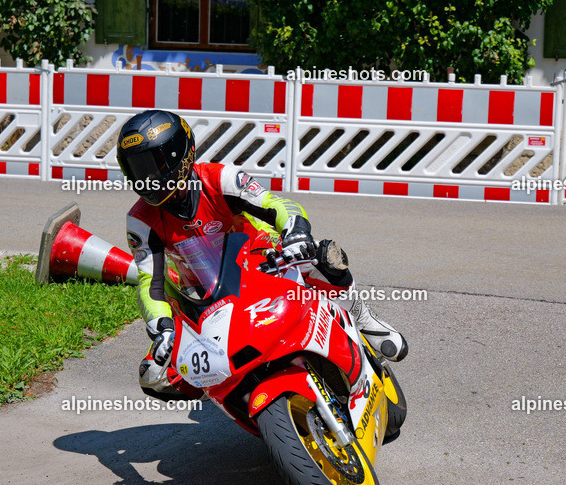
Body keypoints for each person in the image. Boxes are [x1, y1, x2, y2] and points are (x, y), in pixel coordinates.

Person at [117, 109, 407, 399]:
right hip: (204, 295)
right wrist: (162, 328)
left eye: (154, 165)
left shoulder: (219, 178)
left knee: (322, 256)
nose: (148, 177)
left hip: (261, 260)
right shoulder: (140, 220)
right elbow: (150, 283)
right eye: (138, 169)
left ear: (180, 154)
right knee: (152, 376)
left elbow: (275, 204)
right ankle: (226, 392)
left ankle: (364, 319)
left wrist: (295, 232)